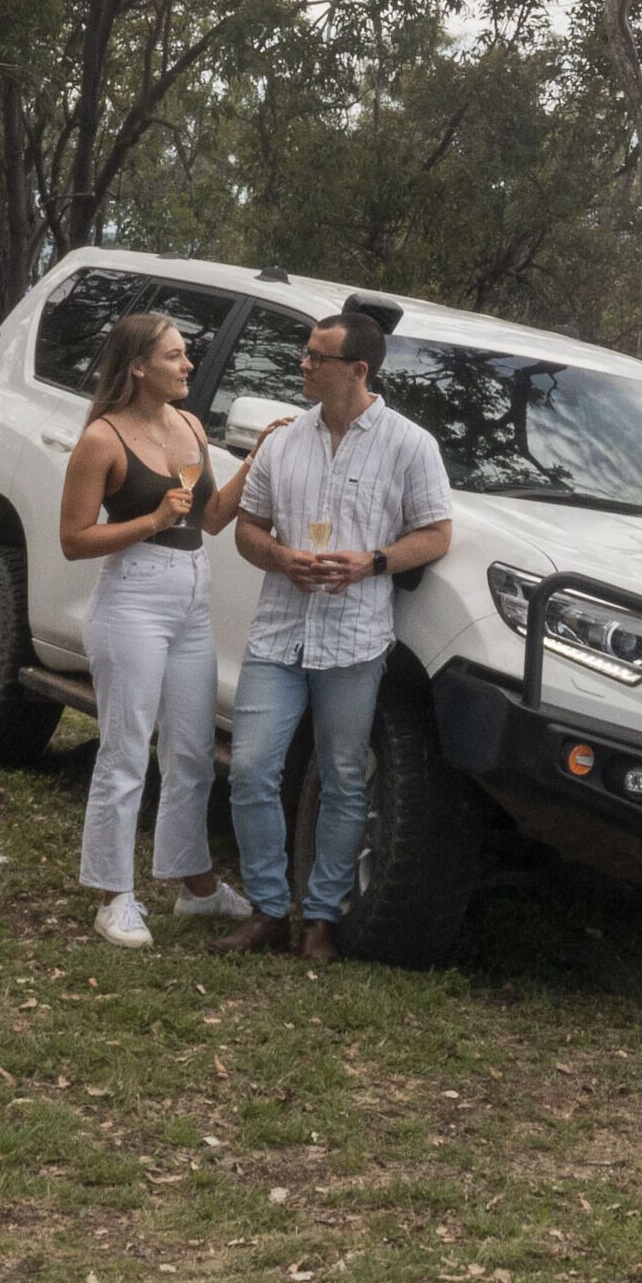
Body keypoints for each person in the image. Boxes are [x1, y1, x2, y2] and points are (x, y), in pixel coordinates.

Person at [217, 307, 452, 964]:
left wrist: (371, 563)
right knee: (253, 771)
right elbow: (248, 528)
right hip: (279, 633)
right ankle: (268, 909)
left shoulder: (410, 445)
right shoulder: (284, 441)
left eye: (315, 357)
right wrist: (279, 558)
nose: (303, 364)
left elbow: (436, 534)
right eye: (304, 353)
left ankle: (320, 918)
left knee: (346, 779)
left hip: (354, 637)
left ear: (357, 369)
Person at [59, 311, 261, 948]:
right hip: (133, 601)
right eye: (175, 356)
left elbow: (213, 519)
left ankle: (193, 886)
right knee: (125, 752)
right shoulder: (103, 439)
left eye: (185, 354)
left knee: (193, 753)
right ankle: (113, 895)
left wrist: (255, 464)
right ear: (139, 366)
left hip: (193, 600)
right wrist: (149, 521)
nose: (188, 365)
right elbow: (73, 540)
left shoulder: (192, 426)